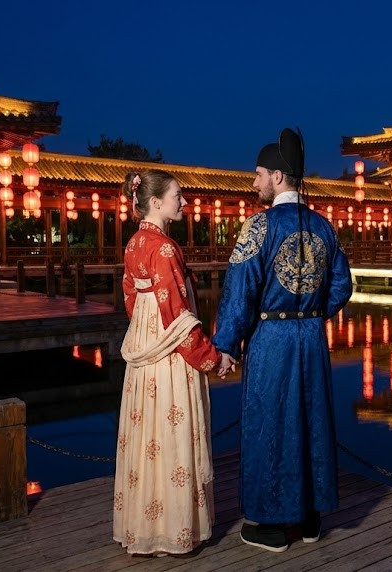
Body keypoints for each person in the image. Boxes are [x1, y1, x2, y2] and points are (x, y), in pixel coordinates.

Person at [213, 127, 353, 552]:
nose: (253, 182)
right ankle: (310, 518)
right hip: (310, 337)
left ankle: (273, 526)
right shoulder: (324, 227)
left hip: (272, 338)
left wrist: (226, 343)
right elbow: (342, 286)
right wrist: (311, 316)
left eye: (258, 174)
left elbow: (240, 292)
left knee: (271, 423)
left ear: (277, 177)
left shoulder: (258, 227)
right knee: (310, 419)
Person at [113, 169, 235, 556]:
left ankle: (144, 527)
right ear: (155, 202)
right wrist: (213, 358)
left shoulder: (134, 244)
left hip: (144, 349)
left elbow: (132, 299)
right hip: (168, 356)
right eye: (177, 196)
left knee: (147, 434)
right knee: (171, 432)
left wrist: (147, 329)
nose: (184, 202)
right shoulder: (164, 248)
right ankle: (176, 527)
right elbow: (179, 316)